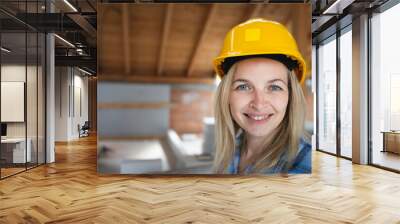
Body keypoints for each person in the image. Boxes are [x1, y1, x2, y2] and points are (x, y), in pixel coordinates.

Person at [212, 18, 311, 175]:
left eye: (274, 87)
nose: (258, 103)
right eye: (243, 87)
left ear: (291, 96)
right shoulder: (234, 149)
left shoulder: (304, 164)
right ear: (226, 95)